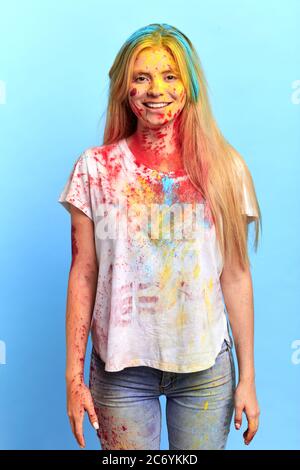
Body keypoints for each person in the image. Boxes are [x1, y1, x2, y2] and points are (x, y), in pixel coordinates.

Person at [58, 23, 261, 450]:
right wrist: (74, 379)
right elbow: (83, 275)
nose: (156, 89)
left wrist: (249, 380)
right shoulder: (95, 170)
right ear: (125, 89)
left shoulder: (226, 170)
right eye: (142, 77)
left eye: (170, 76)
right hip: (119, 371)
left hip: (205, 369)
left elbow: (237, 277)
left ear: (189, 85)